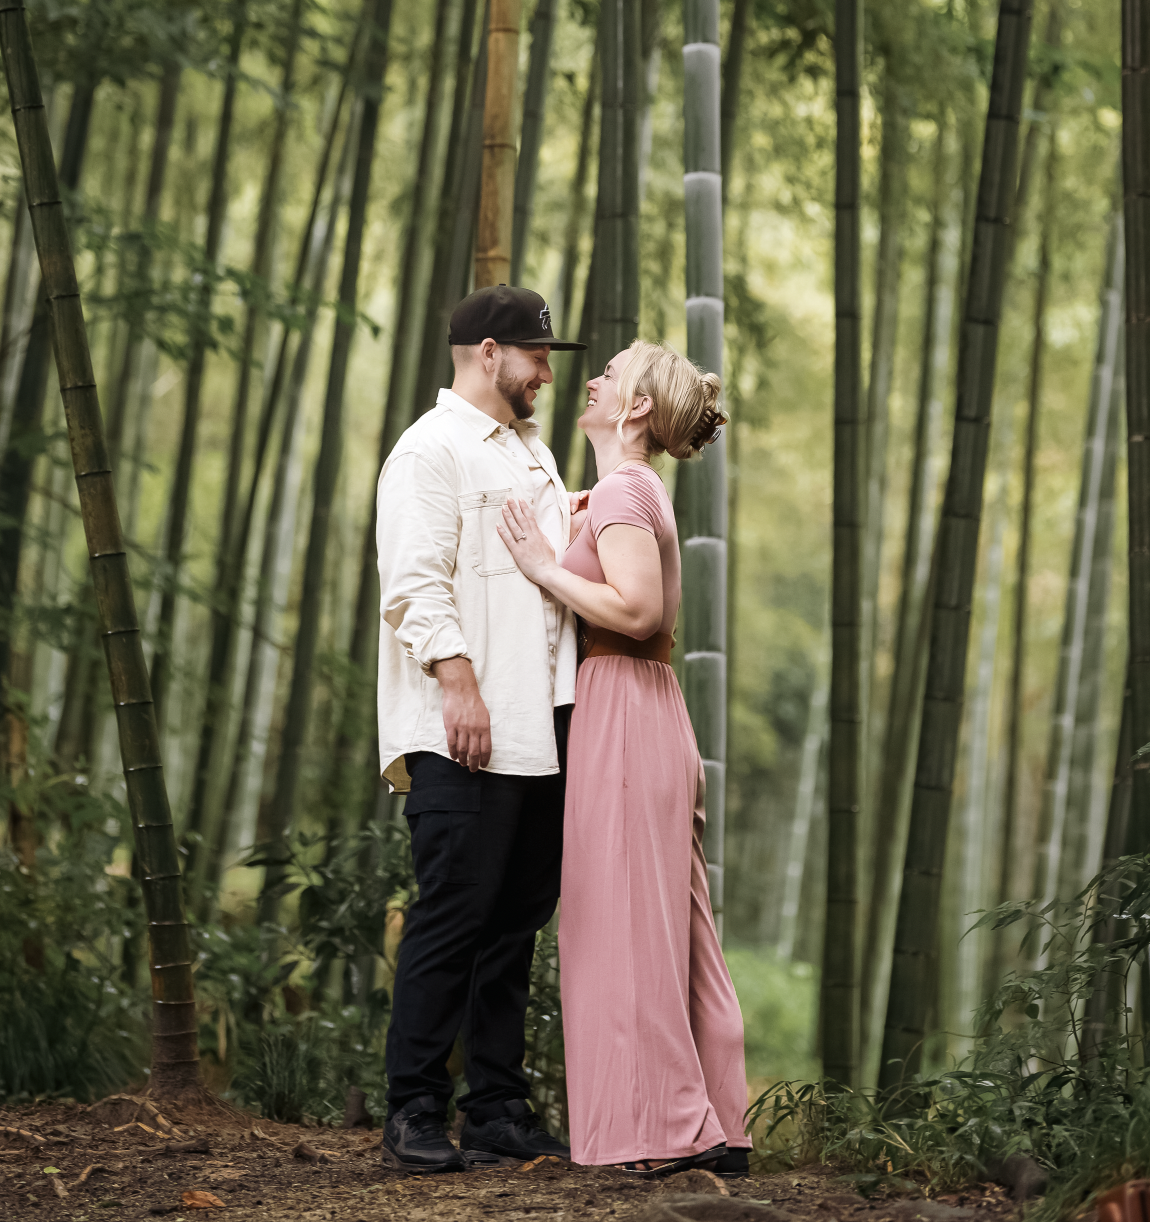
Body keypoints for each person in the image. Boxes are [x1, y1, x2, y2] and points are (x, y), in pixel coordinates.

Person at [496, 339, 753, 1177]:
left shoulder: (624, 488)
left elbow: (637, 610)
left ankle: (669, 1131)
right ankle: (720, 1123)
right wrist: (575, 528)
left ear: (635, 407)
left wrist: (541, 567)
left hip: (624, 706)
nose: (595, 379)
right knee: (679, 930)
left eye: (611, 373)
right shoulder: (626, 491)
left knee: (622, 926)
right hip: (649, 709)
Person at [375, 285, 585, 1174]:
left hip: (539, 731)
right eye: (537, 355)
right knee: (453, 917)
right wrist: (457, 683)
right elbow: (413, 583)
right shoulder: (430, 452)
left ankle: (496, 1106)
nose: (547, 372)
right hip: (465, 729)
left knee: (514, 925)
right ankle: (413, 1111)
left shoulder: (532, 454)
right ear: (489, 352)